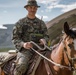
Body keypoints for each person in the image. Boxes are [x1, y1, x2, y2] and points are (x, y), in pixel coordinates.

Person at [12, 0, 49, 75]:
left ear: (37, 9)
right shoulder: (20, 23)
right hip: (26, 50)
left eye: (34, 8)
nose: (33, 9)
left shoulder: (41, 23)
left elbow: (46, 35)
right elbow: (15, 38)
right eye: (31, 7)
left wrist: (45, 40)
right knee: (21, 66)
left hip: (41, 48)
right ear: (27, 8)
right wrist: (23, 44)